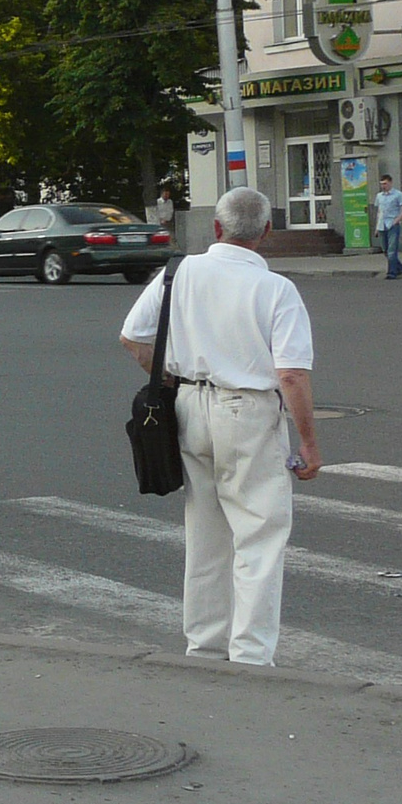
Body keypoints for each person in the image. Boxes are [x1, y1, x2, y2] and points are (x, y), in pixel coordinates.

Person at [118, 184, 320, 667]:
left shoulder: (177, 272)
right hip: (247, 413)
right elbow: (290, 374)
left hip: (188, 406)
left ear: (216, 227)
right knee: (259, 535)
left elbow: (132, 337)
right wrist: (309, 443)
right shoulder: (276, 289)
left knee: (205, 533)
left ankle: (205, 648)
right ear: (267, 232)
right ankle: (250, 655)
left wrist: (168, 375)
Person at [374, 171, 402, 280]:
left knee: (392, 250)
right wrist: (376, 228)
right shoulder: (379, 196)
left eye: (385, 184)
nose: (383, 186)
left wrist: (396, 221)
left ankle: (391, 273)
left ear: (391, 183)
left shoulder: (398, 195)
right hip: (382, 225)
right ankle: (400, 268)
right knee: (385, 250)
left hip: (393, 224)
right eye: (382, 184)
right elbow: (379, 212)